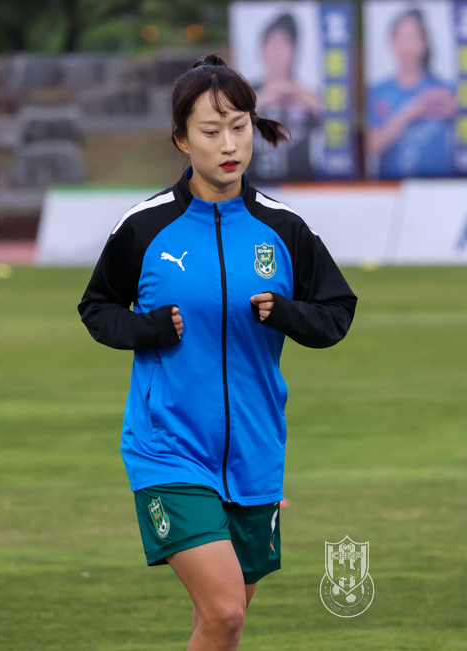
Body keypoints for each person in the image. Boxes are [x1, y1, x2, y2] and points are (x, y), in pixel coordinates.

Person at [77, 54, 357, 651]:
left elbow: (337, 313)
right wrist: (148, 329)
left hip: (255, 452)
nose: (229, 145)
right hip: (169, 448)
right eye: (210, 131)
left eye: (239, 127)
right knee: (226, 611)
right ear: (182, 139)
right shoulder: (145, 227)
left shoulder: (285, 229)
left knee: (220, 622)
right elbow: (97, 307)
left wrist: (285, 313)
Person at [366, 8, 458, 179]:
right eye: (402, 38)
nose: (407, 45)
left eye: (413, 37)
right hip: (392, 186)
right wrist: (412, 111)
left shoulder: (445, 90)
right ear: (391, 43)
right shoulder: (376, 92)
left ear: (425, 43)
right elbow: (371, 147)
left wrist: (458, 110)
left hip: (440, 186)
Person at [248, 13, 323, 183]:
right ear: (262, 48)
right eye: (270, 42)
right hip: (255, 185)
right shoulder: (245, 93)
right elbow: (230, 120)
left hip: (302, 186)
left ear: (294, 50)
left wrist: (295, 92)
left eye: (283, 43)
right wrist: (265, 98)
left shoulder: (307, 94)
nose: (276, 50)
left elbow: (335, 121)